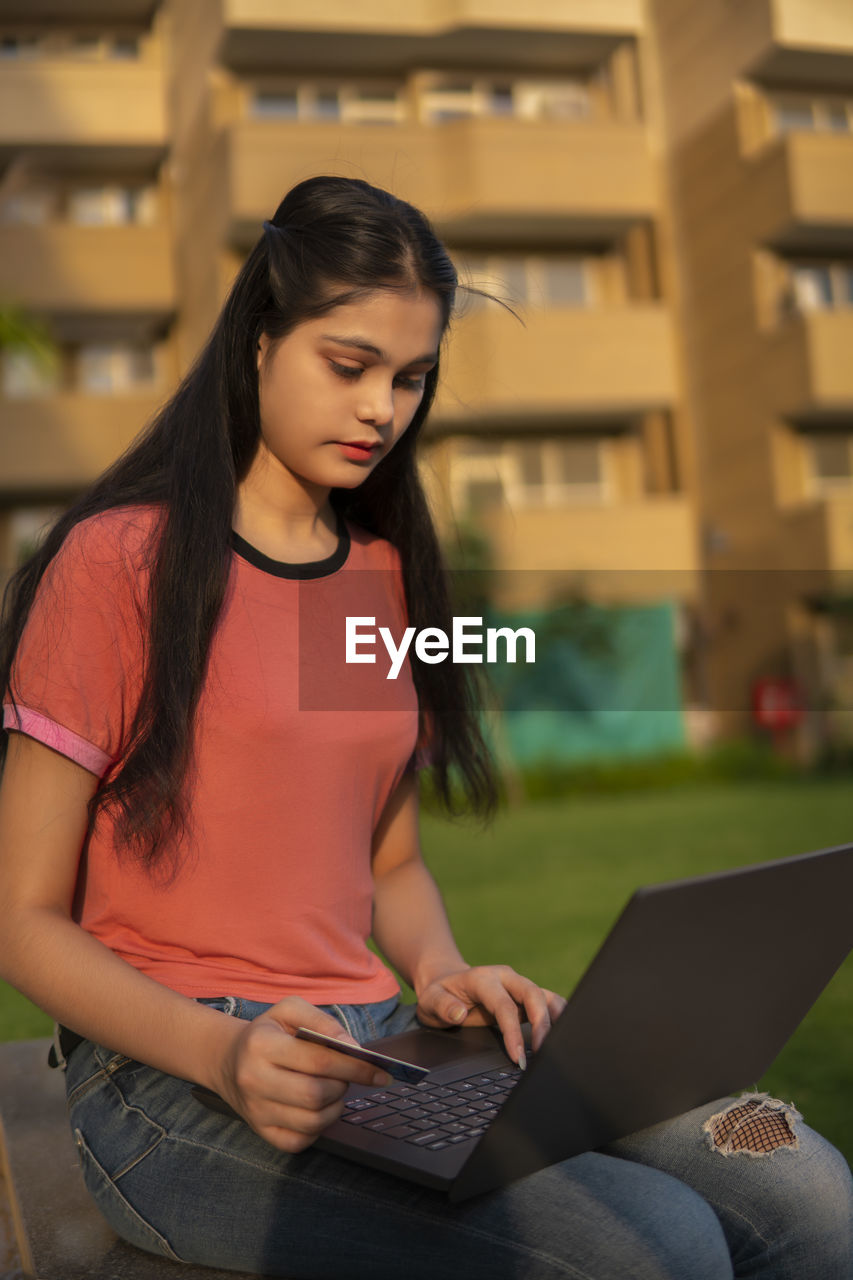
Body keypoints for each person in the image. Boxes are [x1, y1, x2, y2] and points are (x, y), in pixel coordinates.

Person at [0, 175, 850, 1280]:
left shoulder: (383, 579)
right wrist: (221, 1046)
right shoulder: (120, 563)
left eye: (410, 378)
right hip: (168, 1081)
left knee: (795, 1169)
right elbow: (21, 916)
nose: (380, 410)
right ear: (258, 341)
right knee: (658, 1245)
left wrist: (443, 968)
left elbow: (389, 860)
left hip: (386, 1046)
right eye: (347, 365)